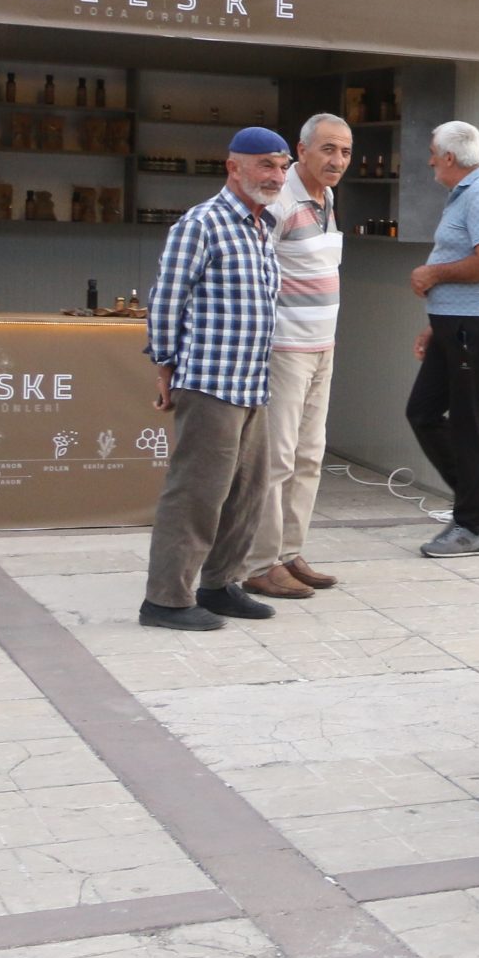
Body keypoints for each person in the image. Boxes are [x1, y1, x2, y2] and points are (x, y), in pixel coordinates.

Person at [139, 128, 291, 631]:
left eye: (283, 165)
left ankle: (220, 584)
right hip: (209, 382)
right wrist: (165, 366)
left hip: (252, 384)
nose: (277, 176)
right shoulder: (201, 224)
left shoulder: (259, 226)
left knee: (247, 493)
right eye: (266, 165)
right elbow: (166, 299)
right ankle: (165, 599)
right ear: (234, 167)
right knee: (195, 495)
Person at [240, 113, 350, 601]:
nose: (338, 161)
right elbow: (260, 274)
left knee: (310, 455)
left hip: (323, 345)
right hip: (285, 349)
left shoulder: (328, 199)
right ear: (300, 152)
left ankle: (289, 550)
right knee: (277, 458)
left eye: (345, 152)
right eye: (328, 149)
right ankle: (258, 562)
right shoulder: (281, 201)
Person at [407, 121, 479, 560]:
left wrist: (432, 274)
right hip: (456, 323)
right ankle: (475, 502)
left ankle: (471, 526)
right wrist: (437, 323)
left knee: (468, 422)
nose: (431, 160)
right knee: (423, 411)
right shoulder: (468, 193)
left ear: (450, 158)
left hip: (478, 323)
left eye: (435, 153)